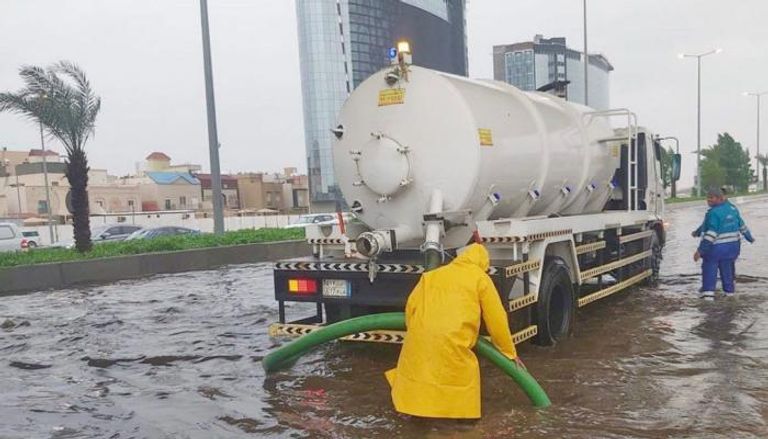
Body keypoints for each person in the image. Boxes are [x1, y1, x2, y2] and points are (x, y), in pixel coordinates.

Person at [385, 243, 523, 419]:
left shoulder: (432, 275)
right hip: (453, 342)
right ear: (483, 264)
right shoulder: (480, 278)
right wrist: (509, 352)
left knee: (419, 376)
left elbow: (411, 308)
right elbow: (497, 319)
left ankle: (420, 417)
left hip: (421, 340)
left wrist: (420, 332)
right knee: (457, 382)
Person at [693, 187, 754, 300]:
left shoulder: (713, 213)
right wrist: (750, 238)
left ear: (721, 198)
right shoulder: (733, 209)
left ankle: (708, 296)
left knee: (709, 269)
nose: (708, 200)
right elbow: (742, 226)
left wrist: (700, 251)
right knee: (727, 271)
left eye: (711, 198)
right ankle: (729, 294)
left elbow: (711, 233)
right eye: (708, 198)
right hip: (733, 249)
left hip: (715, 250)